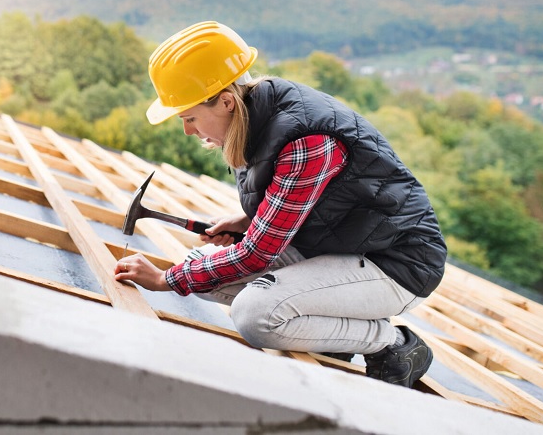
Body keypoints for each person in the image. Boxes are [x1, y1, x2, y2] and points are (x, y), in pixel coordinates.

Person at [114, 21, 446, 388]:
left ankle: (393, 345)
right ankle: (328, 334)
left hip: (395, 264)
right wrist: (246, 219)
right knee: (202, 271)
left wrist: (165, 279)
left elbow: (256, 255)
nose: (188, 131)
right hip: (343, 247)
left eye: (189, 117)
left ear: (225, 100)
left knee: (255, 314)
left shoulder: (306, 140)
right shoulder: (256, 114)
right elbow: (313, 198)